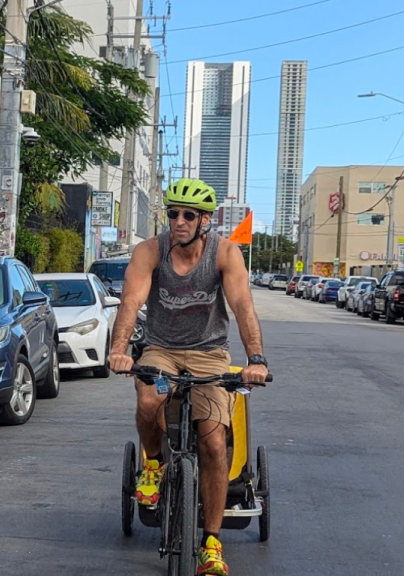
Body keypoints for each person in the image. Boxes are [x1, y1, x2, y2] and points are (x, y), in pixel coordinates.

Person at [108, 178, 269, 576]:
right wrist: (118, 350)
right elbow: (131, 300)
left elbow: (242, 304)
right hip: (161, 353)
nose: (178, 221)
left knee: (214, 440)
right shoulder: (150, 251)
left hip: (210, 356)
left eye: (188, 215)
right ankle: (155, 464)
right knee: (151, 398)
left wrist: (256, 358)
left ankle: (211, 544)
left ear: (205, 220)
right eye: (173, 213)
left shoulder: (225, 253)